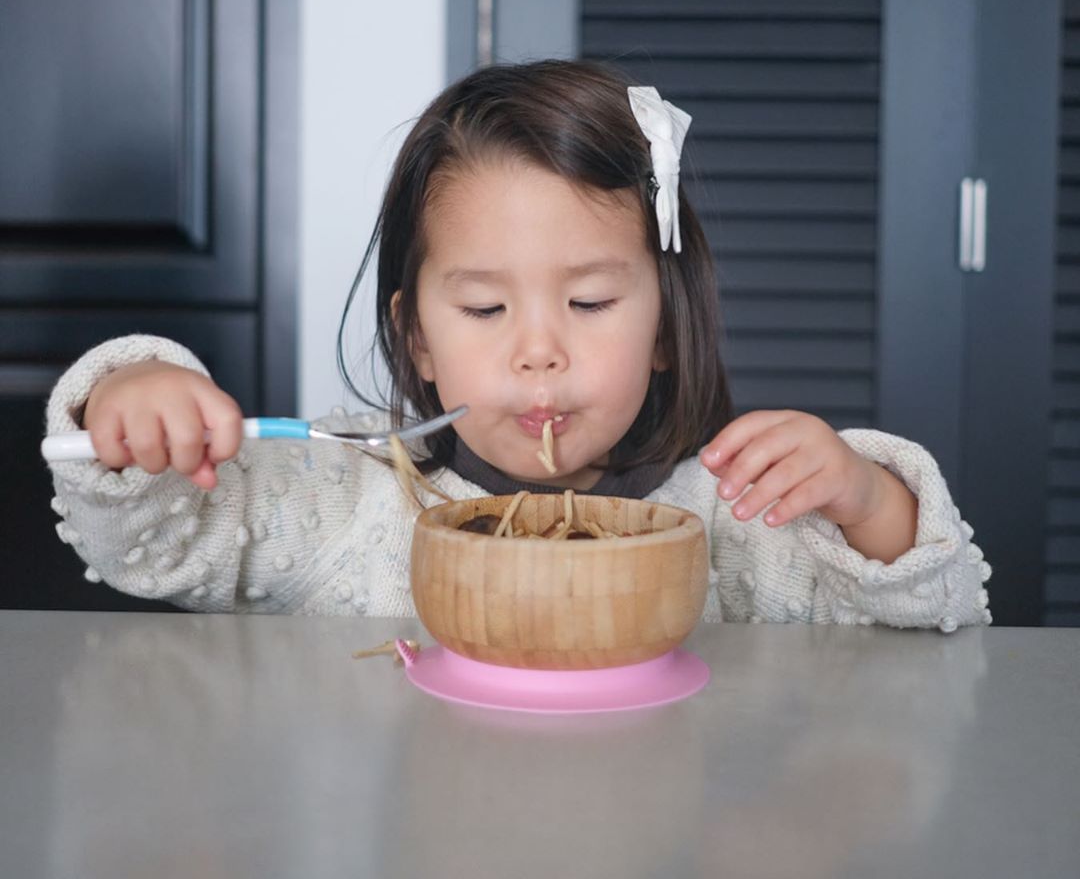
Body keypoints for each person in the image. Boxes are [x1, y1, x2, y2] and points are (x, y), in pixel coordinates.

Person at [44, 60, 991, 629]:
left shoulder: (738, 519)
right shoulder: (348, 495)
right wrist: (137, 394)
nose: (538, 351)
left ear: (664, 326)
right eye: (486, 312)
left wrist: (865, 497)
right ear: (417, 338)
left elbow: (932, 624)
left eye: (587, 301)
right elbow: (155, 546)